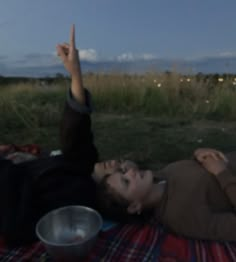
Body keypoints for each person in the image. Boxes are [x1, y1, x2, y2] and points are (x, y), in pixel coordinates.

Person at [96, 147, 236, 242]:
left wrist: (200, 155)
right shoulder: (180, 215)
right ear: (134, 206)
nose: (131, 172)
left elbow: (193, 175)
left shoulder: (163, 175)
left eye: (122, 171)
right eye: (126, 182)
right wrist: (221, 173)